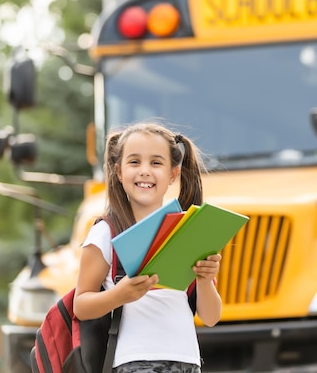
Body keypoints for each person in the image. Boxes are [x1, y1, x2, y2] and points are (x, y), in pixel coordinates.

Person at [73, 122, 222, 373]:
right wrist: (119, 295)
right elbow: (81, 306)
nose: (144, 171)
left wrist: (206, 279)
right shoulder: (105, 233)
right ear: (118, 172)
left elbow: (210, 317)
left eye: (156, 163)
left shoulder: (186, 231)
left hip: (187, 362)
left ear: (173, 174)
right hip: (134, 363)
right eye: (134, 162)